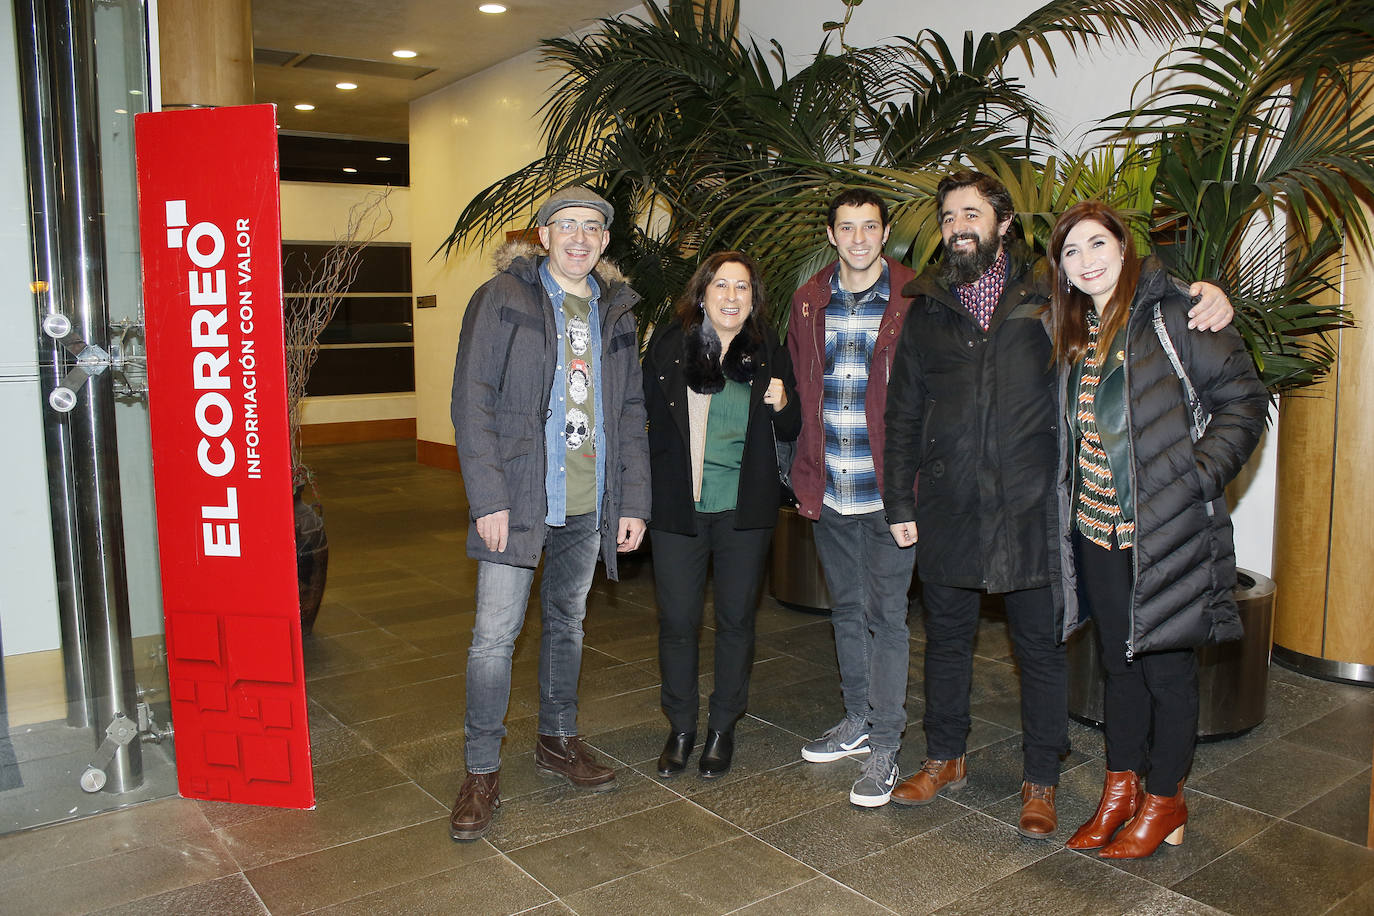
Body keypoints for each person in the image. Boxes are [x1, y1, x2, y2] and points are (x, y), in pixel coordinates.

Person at [881, 171, 1234, 838]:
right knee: (947, 643)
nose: (959, 225)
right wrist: (901, 498)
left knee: (1040, 651)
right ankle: (944, 756)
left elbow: (1132, 284)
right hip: (951, 505)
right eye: (949, 215)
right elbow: (903, 414)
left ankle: (1040, 778)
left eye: (973, 213)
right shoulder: (923, 305)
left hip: (1036, 510)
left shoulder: (1052, 295)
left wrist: (1206, 294)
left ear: (1004, 223)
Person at [1047, 200, 1266, 857]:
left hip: (1163, 533)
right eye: (1070, 253)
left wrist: (1194, 478)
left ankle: (1166, 798)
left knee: (1168, 672)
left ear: (1123, 245)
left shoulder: (1177, 313)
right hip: (1097, 532)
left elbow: (1245, 401)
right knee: (1120, 666)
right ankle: (1121, 788)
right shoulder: (1075, 328)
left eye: (1096, 245)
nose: (1085, 261)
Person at [447, 185, 651, 841]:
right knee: (493, 638)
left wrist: (634, 500)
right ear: (543, 235)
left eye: (592, 227)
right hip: (520, 499)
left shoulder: (616, 311)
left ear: (605, 241)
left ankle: (558, 740)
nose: (579, 237)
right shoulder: (502, 298)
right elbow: (471, 399)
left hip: (588, 501)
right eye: (566, 225)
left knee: (567, 623)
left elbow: (629, 414)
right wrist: (489, 498)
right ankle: (481, 768)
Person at [642, 252, 800, 779]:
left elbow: (794, 425)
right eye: (722, 286)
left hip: (743, 514)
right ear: (703, 292)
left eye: (743, 288)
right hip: (678, 511)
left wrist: (784, 402)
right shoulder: (668, 347)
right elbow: (642, 423)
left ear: (753, 299)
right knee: (679, 622)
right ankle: (682, 725)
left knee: (735, 623)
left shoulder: (768, 352)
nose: (732, 297)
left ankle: (722, 727)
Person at [786, 189, 920, 807]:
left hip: (893, 496)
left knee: (887, 617)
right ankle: (858, 721)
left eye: (871, 227)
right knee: (846, 609)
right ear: (833, 234)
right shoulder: (809, 301)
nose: (859, 238)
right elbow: (797, 386)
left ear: (885, 232)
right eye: (848, 227)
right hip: (831, 488)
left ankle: (888, 743)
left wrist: (914, 494)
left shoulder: (914, 297)